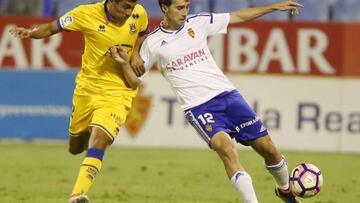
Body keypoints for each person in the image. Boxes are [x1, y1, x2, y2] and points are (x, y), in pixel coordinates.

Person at [111, 0, 304, 202]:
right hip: (198, 107)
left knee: (269, 150)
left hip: (228, 96)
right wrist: (125, 63)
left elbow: (238, 16)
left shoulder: (199, 22)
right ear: (164, 8)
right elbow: (134, 82)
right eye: (179, 8)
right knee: (226, 149)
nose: (185, 12)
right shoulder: (153, 42)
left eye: (186, 7)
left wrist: (272, 7)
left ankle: (284, 190)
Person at [9, 0, 149, 202]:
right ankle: (92, 135)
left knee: (99, 139)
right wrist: (31, 33)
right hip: (87, 90)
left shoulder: (139, 12)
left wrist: (135, 53)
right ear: (111, 2)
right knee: (75, 147)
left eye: (132, 7)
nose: (130, 12)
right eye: (125, 7)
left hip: (118, 92)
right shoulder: (85, 14)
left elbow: (143, 32)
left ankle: (77, 195)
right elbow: (51, 27)